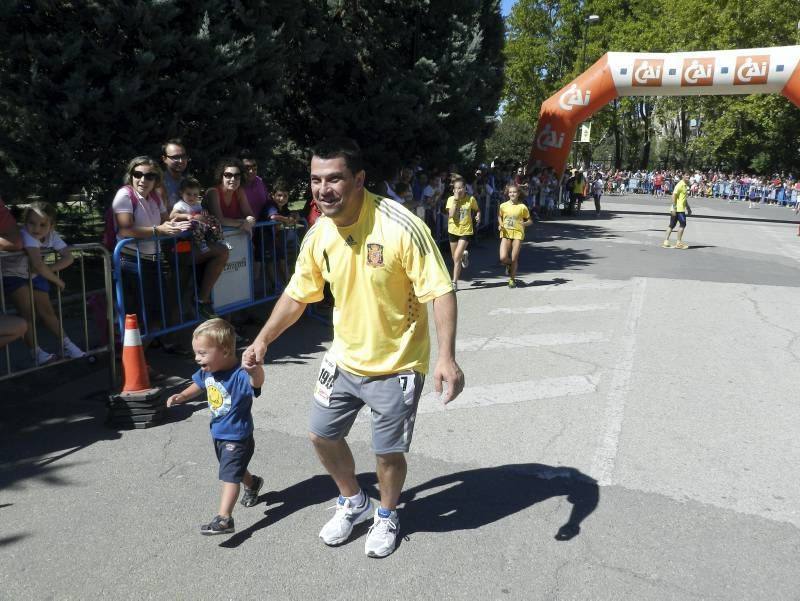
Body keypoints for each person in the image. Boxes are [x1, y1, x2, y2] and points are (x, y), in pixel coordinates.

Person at [242, 138, 464, 558]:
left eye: (334, 179)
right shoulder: (319, 233)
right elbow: (298, 294)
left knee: (387, 453)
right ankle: (353, 500)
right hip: (343, 359)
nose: (323, 189)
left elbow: (440, 289)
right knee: (321, 435)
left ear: (358, 179)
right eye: (315, 180)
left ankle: (386, 514)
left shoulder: (400, 226)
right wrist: (263, 339)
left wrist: (446, 357)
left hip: (397, 363)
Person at [166, 318, 265, 535]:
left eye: (202, 353)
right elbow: (199, 385)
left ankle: (224, 518)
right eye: (196, 353)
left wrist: (255, 369)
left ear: (226, 350)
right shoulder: (209, 372)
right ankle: (253, 483)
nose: (196, 358)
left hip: (237, 437)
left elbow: (256, 384)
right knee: (234, 469)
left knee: (229, 475)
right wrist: (182, 396)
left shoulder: (239, 375)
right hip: (218, 433)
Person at [113, 156, 192, 348]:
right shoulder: (125, 195)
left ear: (156, 179)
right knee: (137, 315)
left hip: (152, 259)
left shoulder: (155, 197)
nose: (142, 180)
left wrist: (187, 223)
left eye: (149, 176)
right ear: (130, 176)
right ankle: (135, 362)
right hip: (131, 261)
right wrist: (159, 230)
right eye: (137, 174)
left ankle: (146, 353)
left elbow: (166, 222)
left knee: (155, 311)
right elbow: (125, 230)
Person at [1, 201, 86, 363]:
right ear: (25, 223)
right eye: (32, 223)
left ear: (51, 225)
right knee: (27, 314)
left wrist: (51, 269)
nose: (36, 229)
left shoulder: (52, 235)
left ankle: (67, 345)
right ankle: (37, 352)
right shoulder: (26, 235)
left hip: (34, 274)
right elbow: (38, 265)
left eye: (42, 225)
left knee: (47, 311)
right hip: (14, 275)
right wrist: (58, 281)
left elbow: (69, 256)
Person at [170, 177, 230, 319]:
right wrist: (190, 216)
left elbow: (203, 215)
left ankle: (218, 239)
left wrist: (205, 216)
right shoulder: (181, 205)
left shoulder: (198, 205)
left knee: (214, 222)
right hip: (186, 239)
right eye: (189, 194)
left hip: (197, 234)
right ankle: (204, 245)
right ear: (182, 193)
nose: (192, 197)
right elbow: (173, 215)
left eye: (195, 194)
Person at [205, 158, 256, 236]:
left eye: (237, 175)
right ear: (221, 176)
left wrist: (250, 220)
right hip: (213, 240)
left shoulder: (239, 191)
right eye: (228, 175)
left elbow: (250, 215)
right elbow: (219, 220)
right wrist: (243, 223)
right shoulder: (213, 192)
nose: (233, 179)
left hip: (233, 237)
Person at [446, 176, 480, 290]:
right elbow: (450, 215)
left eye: (461, 188)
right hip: (453, 230)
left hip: (466, 230)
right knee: (454, 257)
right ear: (453, 190)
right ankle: (464, 255)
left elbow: (477, 209)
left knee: (456, 258)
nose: (459, 190)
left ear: (465, 188)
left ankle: (454, 283)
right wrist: (456, 200)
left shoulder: (471, 199)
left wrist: (478, 215)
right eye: (456, 188)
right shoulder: (451, 199)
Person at [498, 184, 533, 288]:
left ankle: (512, 279)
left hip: (518, 234)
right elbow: (500, 216)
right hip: (506, 233)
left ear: (518, 194)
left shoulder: (522, 207)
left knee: (514, 258)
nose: (512, 194)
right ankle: (509, 265)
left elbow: (530, 221)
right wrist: (500, 224)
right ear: (508, 194)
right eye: (510, 192)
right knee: (503, 257)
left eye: (514, 192)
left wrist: (525, 224)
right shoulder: (503, 206)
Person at [159, 139, 190, 211]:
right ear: (164, 159)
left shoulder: (187, 181)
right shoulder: (159, 182)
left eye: (183, 156)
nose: (181, 161)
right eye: (175, 157)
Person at [662, 172, 692, 249]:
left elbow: (684, 199)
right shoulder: (680, 184)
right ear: (683, 177)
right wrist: (674, 207)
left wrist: (688, 208)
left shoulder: (685, 185)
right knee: (682, 224)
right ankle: (678, 243)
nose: (688, 178)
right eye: (686, 176)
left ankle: (666, 241)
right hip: (678, 209)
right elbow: (674, 195)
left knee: (672, 225)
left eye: (689, 177)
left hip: (679, 208)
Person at [241, 152, 271, 221]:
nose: (251, 171)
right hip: (241, 229)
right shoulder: (235, 186)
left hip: (261, 228)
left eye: (254, 166)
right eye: (247, 168)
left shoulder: (259, 181)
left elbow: (268, 203)